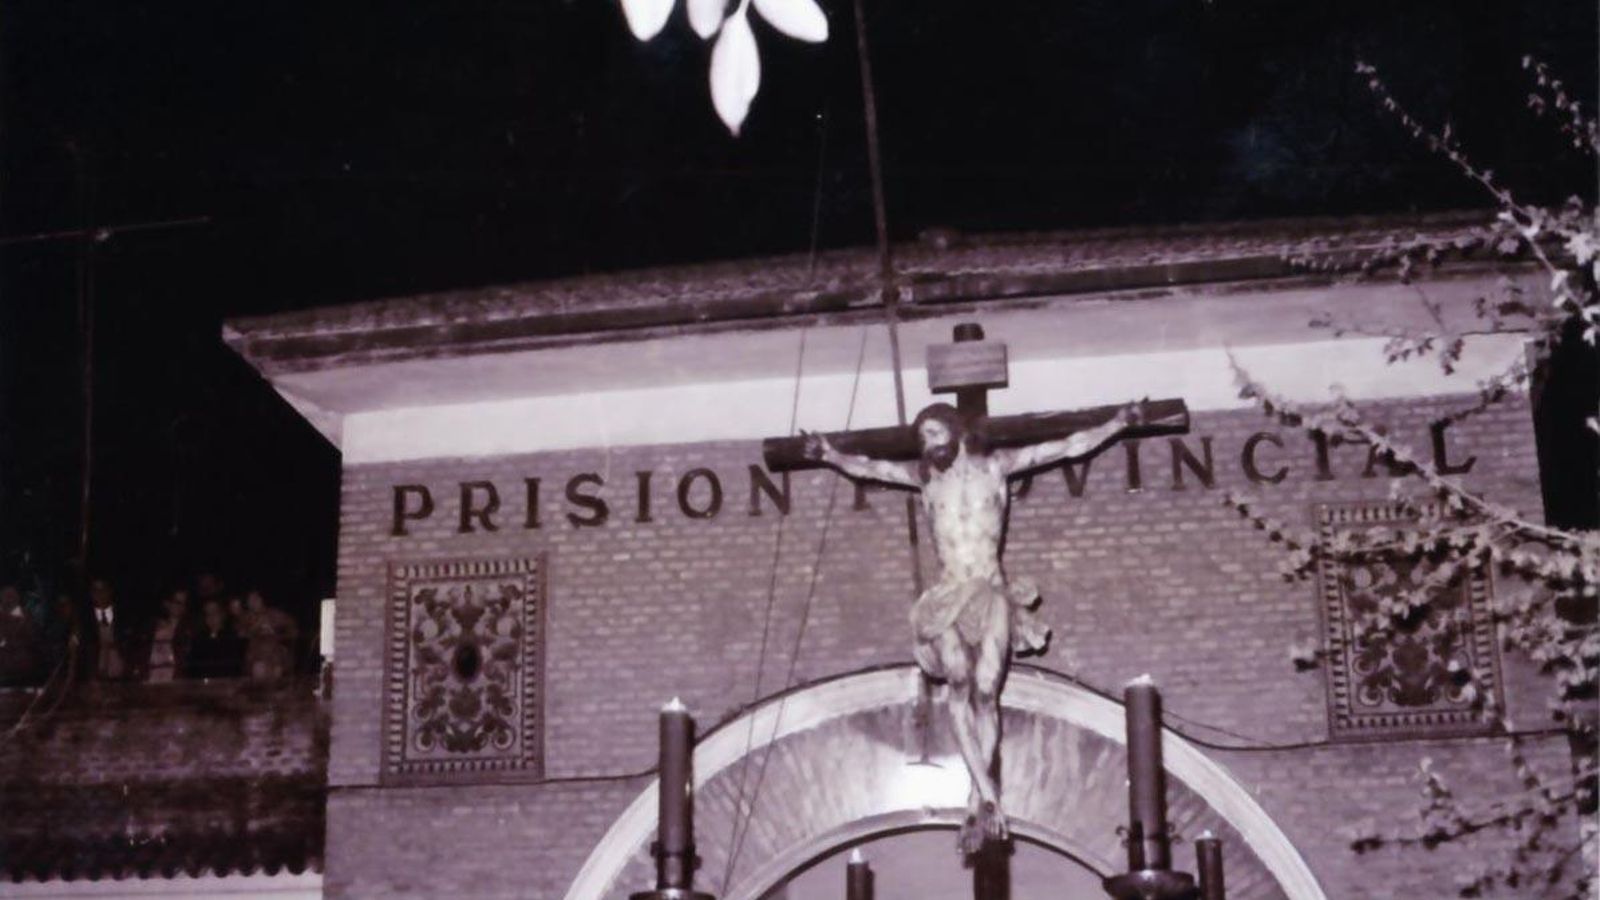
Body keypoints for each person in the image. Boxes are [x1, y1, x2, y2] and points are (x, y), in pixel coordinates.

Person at [806, 400, 1140, 853]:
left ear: (957, 431)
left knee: (986, 690)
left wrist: (1119, 424)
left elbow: (1064, 448)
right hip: (947, 595)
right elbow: (871, 469)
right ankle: (985, 796)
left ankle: (978, 797)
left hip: (989, 590)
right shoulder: (925, 478)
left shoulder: (996, 467)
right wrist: (829, 454)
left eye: (934, 434)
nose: (928, 445)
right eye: (922, 438)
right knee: (958, 683)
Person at [240, 589, 298, 680]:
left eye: (255, 599)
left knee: (277, 672)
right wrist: (256, 627)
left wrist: (285, 638)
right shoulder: (246, 618)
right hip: (256, 657)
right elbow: (242, 635)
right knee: (259, 670)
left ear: (262, 599)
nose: (253, 603)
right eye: (250, 600)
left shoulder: (275, 614)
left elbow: (292, 626)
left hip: (276, 656)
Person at [85, 577, 131, 681]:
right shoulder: (87, 620)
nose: (100, 594)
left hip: (122, 674)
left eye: (103, 590)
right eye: (95, 591)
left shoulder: (123, 616)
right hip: (97, 674)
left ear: (110, 591)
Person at [185, 600, 244, 679]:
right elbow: (193, 667)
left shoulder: (232, 637)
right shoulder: (198, 639)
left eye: (215, 612)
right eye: (207, 614)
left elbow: (235, 666)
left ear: (223, 614)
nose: (211, 617)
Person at [146, 588, 192, 683]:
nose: (181, 606)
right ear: (167, 603)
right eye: (177, 602)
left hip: (175, 679)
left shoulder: (188, 628)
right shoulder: (152, 627)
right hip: (152, 677)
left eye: (184, 603)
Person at [0, 584, 39, 687]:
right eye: (7, 597)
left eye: (13, 597)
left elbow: (32, 638)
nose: (10, 600)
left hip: (22, 660)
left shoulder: (25, 616)